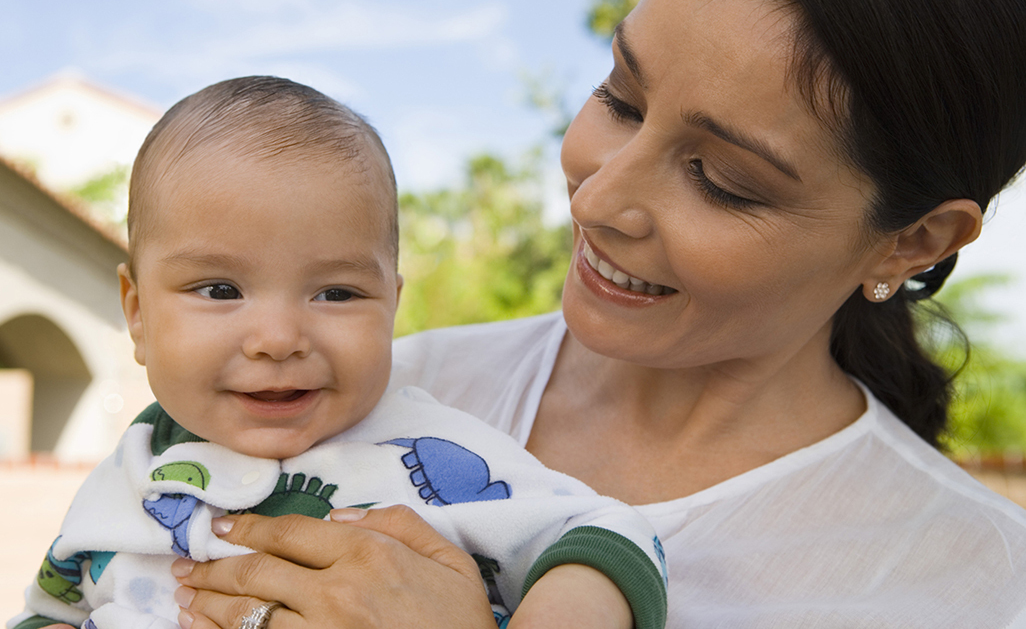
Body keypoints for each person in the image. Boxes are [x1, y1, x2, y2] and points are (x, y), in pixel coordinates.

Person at [161, 0, 1026, 629]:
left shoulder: (976, 587)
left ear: (911, 242)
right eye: (620, 96)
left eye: (723, 179)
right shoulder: (358, 392)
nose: (600, 196)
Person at [9, 76, 669, 629]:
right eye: (219, 289)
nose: (277, 338)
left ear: (391, 307)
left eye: (336, 292)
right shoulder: (130, 467)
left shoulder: (428, 450)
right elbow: (51, 609)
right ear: (138, 315)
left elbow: (611, 539)